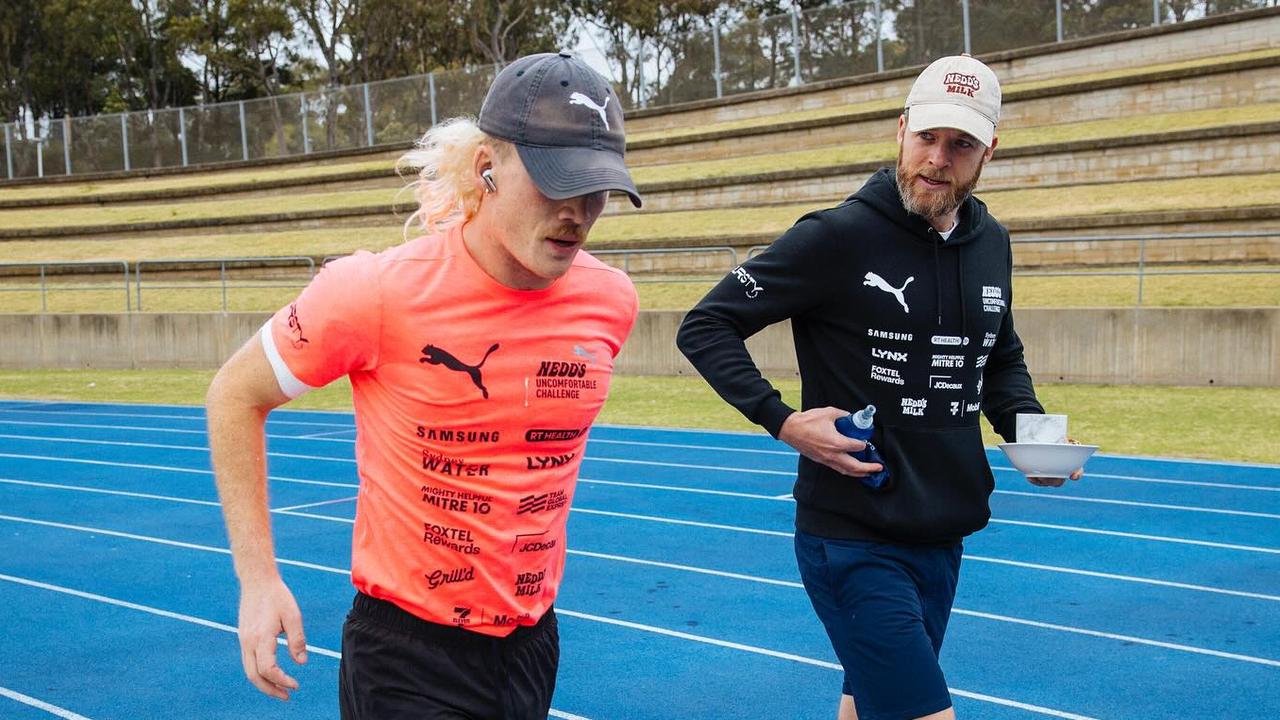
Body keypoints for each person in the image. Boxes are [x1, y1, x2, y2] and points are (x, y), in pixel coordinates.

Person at [206, 51, 642, 720]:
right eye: (558, 183)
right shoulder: (374, 292)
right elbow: (236, 394)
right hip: (408, 656)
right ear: (486, 167)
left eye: (598, 189)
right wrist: (258, 580)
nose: (578, 213)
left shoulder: (610, 301)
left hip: (531, 645)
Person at [676, 54, 1083, 720]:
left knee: (868, 705)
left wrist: (1034, 433)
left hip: (944, 528)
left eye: (961, 144)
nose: (938, 157)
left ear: (989, 152)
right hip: (852, 534)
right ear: (901, 131)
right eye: (928, 137)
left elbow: (998, 355)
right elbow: (707, 324)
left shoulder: (993, 244)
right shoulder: (837, 236)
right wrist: (781, 419)